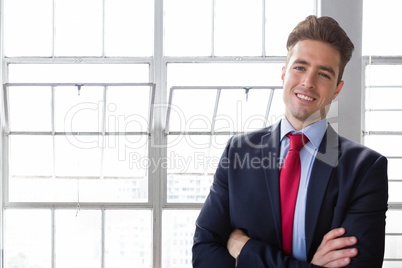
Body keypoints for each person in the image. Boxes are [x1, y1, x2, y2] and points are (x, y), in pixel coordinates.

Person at [192, 15, 388, 267]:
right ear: (284, 73)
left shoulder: (365, 169)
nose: (308, 82)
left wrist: (247, 249)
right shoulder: (239, 152)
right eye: (300, 67)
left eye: (324, 74)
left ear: (337, 89)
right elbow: (204, 251)